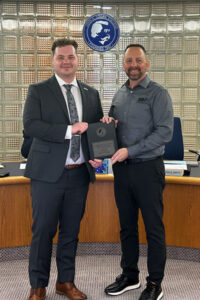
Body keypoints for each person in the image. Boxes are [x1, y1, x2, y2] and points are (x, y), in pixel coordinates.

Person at [23, 38, 103, 300]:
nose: (66, 62)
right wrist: (69, 130)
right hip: (47, 175)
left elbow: (95, 133)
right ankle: (38, 286)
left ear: (78, 60)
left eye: (71, 57)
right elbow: (31, 126)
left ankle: (65, 282)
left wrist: (97, 156)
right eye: (61, 57)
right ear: (53, 60)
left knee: (70, 232)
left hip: (79, 174)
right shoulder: (38, 90)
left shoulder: (91, 93)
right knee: (43, 231)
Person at [103, 44, 174, 300]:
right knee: (127, 226)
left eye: (138, 60)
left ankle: (155, 283)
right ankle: (129, 275)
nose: (133, 65)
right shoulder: (119, 94)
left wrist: (130, 151)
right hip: (123, 171)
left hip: (148, 169)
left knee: (153, 228)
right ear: (123, 64)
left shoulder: (159, 93)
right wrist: (108, 125)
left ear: (147, 63)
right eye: (129, 61)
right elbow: (113, 129)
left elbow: (165, 133)